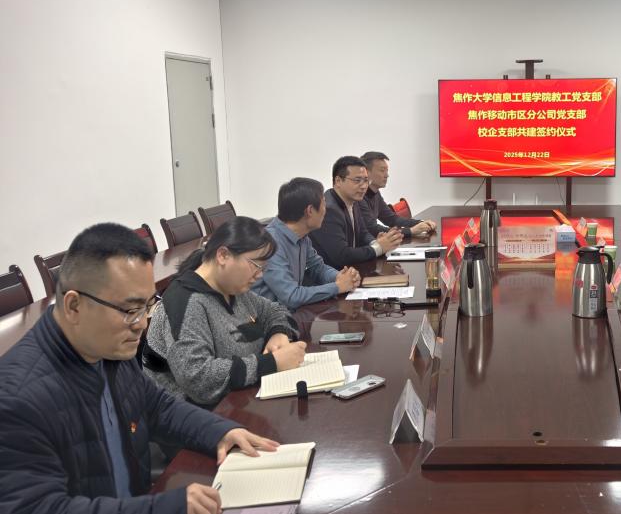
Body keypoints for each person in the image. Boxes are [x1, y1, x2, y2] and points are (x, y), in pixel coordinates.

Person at [0, 223, 278, 514]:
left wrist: (221, 431)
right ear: (74, 306)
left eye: (147, 306)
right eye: (130, 310)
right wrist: (165, 506)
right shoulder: (17, 400)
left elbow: (157, 407)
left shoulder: (107, 350)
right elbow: (38, 507)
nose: (142, 324)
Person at [144, 216, 307, 408]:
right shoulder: (187, 302)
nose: (260, 275)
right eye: (256, 265)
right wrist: (270, 363)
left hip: (242, 401)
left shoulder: (233, 289)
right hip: (195, 415)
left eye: (264, 268)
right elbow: (198, 379)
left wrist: (279, 333)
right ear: (223, 255)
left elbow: (275, 310)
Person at [252, 177, 362, 312]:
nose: (326, 209)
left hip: (291, 314)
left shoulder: (302, 236)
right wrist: (338, 287)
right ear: (310, 210)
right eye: (324, 203)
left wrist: (339, 276)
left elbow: (318, 268)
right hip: (266, 320)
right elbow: (291, 296)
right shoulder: (270, 243)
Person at [310, 156, 404, 269]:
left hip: (352, 270)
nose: (364, 186)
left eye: (366, 180)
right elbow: (342, 256)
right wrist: (379, 247)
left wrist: (375, 242)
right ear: (338, 181)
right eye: (357, 180)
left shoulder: (353, 200)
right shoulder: (329, 210)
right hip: (333, 275)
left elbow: (362, 233)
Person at [359, 151, 437, 238]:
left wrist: (420, 222)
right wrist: (410, 231)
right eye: (382, 170)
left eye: (387, 171)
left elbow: (392, 219)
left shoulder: (375, 193)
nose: (387, 175)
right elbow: (372, 229)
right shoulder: (358, 197)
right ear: (366, 172)